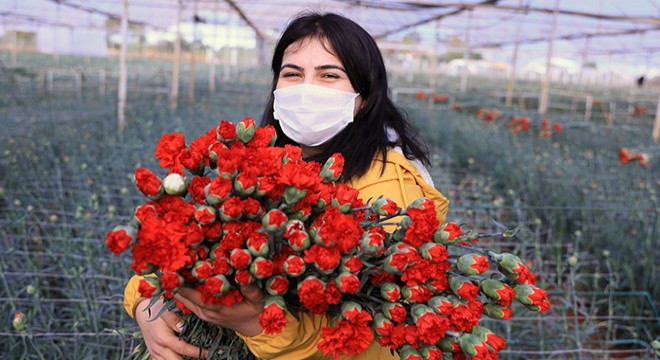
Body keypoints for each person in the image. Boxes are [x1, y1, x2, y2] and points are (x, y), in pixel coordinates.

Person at [123, 11, 449, 359]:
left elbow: (375, 343)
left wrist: (260, 325)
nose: (307, 88)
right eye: (292, 74)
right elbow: (182, 250)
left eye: (329, 75)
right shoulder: (257, 161)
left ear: (364, 96)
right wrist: (147, 300)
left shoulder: (390, 189)